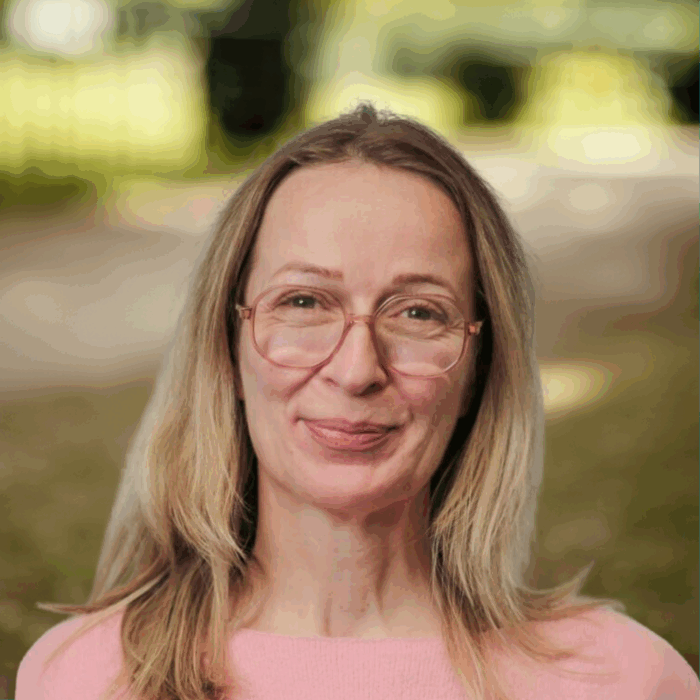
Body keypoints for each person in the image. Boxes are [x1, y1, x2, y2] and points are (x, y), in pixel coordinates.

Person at [16, 104, 699, 700]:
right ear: (227, 348)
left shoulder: (624, 680)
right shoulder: (87, 677)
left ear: (478, 372)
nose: (356, 370)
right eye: (303, 301)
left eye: (419, 312)